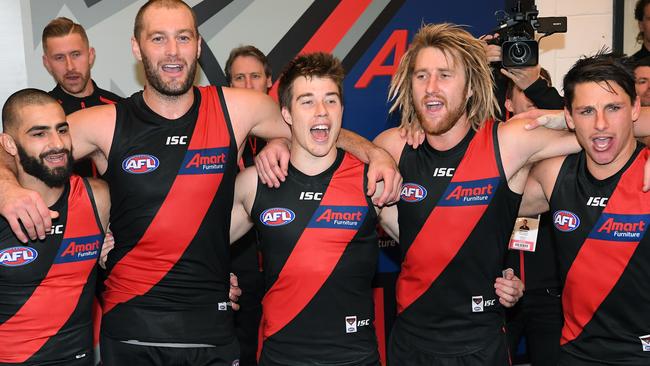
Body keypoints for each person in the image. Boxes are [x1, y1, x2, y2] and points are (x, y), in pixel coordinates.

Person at [0, 1, 400, 365]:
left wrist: (375, 153)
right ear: (138, 49)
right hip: (132, 330)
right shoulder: (106, 122)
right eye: (159, 39)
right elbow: (19, 144)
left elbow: (316, 126)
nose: (173, 51)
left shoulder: (236, 109)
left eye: (184, 38)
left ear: (198, 45)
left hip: (211, 329)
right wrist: (8, 189)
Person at [370, 23, 586, 365]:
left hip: (480, 345)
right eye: (421, 76)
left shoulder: (508, 140)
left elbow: (609, 132)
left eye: (444, 75)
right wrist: (373, 154)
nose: (431, 88)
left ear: (471, 87)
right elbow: (319, 140)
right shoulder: (392, 147)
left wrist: (558, 115)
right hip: (410, 343)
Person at [229, 51, 399, 365]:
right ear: (287, 114)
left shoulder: (371, 181)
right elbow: (195, 247)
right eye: (307, 101)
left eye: (331, 100)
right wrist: (214, 282)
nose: (321, 112)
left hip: (355, 358)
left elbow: (435, 246)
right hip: (281, 357)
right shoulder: (255, 183)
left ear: (342, 109)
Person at [519, 53, 650, 365]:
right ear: (569, 116)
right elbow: (490, 201)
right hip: (577, 352)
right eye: (586, 111)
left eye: (613, 108)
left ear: (634, 109)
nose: (601, 124)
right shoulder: (553, 175)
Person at [0, 88, 110, 365]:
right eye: (39, 134)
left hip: (81, 358)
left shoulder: (97, 197)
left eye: (62, 130)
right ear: (10, 145)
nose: (57, 143)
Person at [503, 67, 564, 366]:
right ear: (508, 104)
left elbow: (581, 119)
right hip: (500, 291)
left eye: (540, 90)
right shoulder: (492, 146)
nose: (534, 99)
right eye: (524, 91)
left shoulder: (566, 145)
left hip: (550, 295)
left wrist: (537, 88)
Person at [224, 44, 270, 366]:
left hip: (284, 260)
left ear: (269, 80)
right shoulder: (217, 133)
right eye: (239, 77)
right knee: (241, 350)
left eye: (255, 76)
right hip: (236, 260)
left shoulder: (294, 132)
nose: (248, 84)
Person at [42, 17, 122, 177]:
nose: (70, 66)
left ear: (91, 55)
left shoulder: (119, 107)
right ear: (47, 63)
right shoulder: (40, 115)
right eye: (59, 57)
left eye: (76, 54)